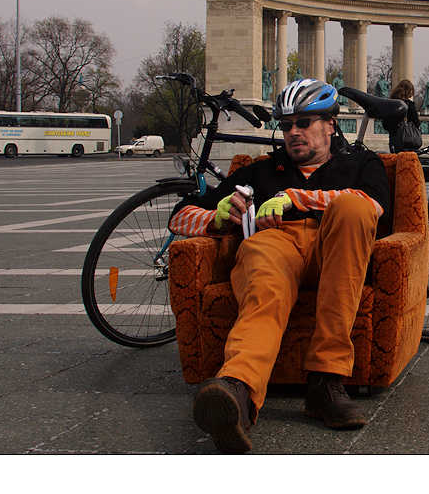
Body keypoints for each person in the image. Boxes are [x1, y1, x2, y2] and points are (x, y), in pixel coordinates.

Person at [167, 78, 390, 454]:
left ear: (330, 124)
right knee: (264, 280)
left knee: (352, 208)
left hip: (333, 251)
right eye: (286, 125)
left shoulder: (359, 162)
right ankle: (237, 392)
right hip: (275, 245)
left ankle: (326, 380)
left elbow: (375, 206)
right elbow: (179, 215)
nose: (294, 132)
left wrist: (296, 198)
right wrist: (216, 218)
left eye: (304, 122)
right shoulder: (260, 171)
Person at [382, 79, 421, 152]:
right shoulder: (409, 105)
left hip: (393, 138)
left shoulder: (390, 104)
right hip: (407, 140)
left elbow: (385, 124)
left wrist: (394, 130)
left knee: (395, 160)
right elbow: (417, 122)